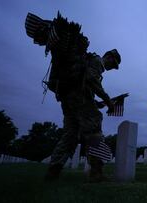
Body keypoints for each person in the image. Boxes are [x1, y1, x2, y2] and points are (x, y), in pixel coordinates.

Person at [45, 49, 121, 182]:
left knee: (70, 134)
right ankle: (96, 172)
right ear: (108, 56)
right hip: (79, 99)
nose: (111, 68)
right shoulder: (97, 61)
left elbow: (85, 85)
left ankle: (53, 171)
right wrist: (108, 100)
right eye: (113, 64)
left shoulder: (89, 62)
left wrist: (97, 103)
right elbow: (91, 80)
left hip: (68, 99)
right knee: (94, 128)